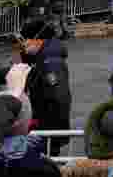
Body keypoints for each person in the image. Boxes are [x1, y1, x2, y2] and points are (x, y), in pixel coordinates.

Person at [20, 19, 72, 154]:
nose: (23, 44)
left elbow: (59, 97)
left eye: (26, 39)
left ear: (37, 40)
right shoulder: (43, 57)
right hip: (44, 125)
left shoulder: (49, 62)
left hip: (47, 128)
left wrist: (54, 132)